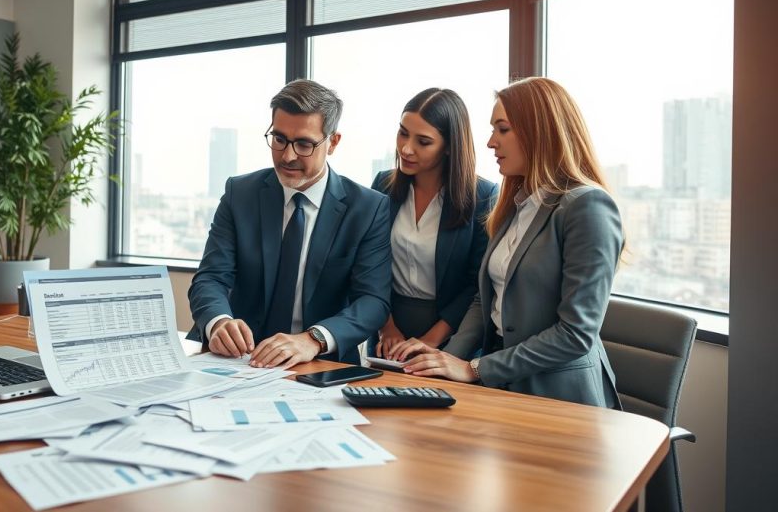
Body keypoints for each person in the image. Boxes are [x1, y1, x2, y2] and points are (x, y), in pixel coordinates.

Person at [398, 77, 623, 409]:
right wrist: (444, 360)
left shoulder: (586, 206)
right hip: (502, 384)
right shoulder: (515, 203)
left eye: (502, 129)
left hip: (560, 395)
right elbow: (486, 298)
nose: (490, 142)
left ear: (539, 131)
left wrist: (474, 368)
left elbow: (575, 334)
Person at [187, 79, 391, 368]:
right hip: (239, 361)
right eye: (279, 139)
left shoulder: (367, 208)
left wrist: (313, 339)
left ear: (333, 142)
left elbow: (372, 302)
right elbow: (210, 277)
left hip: (319, 364)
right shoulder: (240, 193)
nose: (288, 155)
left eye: (304, 144)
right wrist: (219, 322)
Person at [368, 88, 497, 360]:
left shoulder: (483, 196)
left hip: (451, 335)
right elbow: (370, 265)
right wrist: (386, 328)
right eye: (403, 133)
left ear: (450, 146)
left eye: (423, 141)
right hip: (387, 330)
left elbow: (476, 284)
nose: (406, 148)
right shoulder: (382, 185)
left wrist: (431, 340)